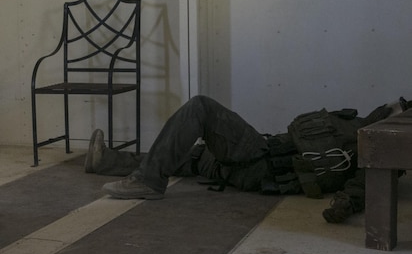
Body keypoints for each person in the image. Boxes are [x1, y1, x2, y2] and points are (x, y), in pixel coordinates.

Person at [85, 95, 406, 223]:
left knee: (201, 108)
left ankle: (148, 182)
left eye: (401, 107)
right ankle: (108, 161)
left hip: (263, 164)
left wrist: (344, 206)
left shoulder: (388, 143)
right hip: (262, 155)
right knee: (196, 156)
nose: (396, 104)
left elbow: (369, 180)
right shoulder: (367, 122)